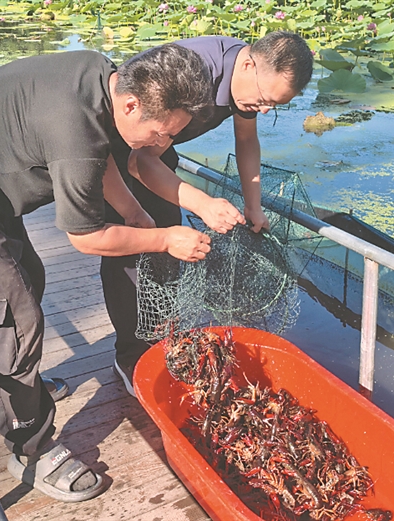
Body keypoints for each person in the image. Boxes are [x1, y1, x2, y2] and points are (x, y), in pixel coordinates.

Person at [0, 45, 214, 502]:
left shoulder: (104, 75)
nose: (160, 145)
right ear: (130, 105)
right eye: (160, 133)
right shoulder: (74, 129)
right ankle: (32, 451)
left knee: (28, 280)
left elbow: (100, 161)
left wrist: (138, 216)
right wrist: (164, 239)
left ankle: (27, 394)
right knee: (4, 323)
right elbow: (86, 237)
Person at [102, 32, 314, 396]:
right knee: (135, 253)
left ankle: (161, 341)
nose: (263, 109)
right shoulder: (192, 78)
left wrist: (254, 205)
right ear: (248, 64)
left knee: (169, 246)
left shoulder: (244, 81)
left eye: (273, 106)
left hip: (157, 148)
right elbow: (139, 162)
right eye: (264, 99)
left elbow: (246, 140)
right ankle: (131, 357)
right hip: (119, 152)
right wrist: (203, 204)